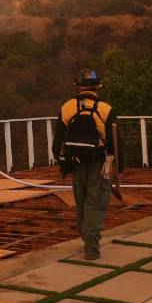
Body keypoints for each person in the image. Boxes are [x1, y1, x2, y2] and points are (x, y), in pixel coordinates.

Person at [52, 68, 117, 260]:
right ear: (97, 87)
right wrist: (117, 168)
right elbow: (115, 143)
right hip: (99, 163)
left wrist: (62, 165)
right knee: (96, 204)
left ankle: (85, 235)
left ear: (78, 87)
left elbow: (57, 142)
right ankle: (91, 249)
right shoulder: (106, 109)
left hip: (75, 164)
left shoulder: (67, 107)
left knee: (81, 203)